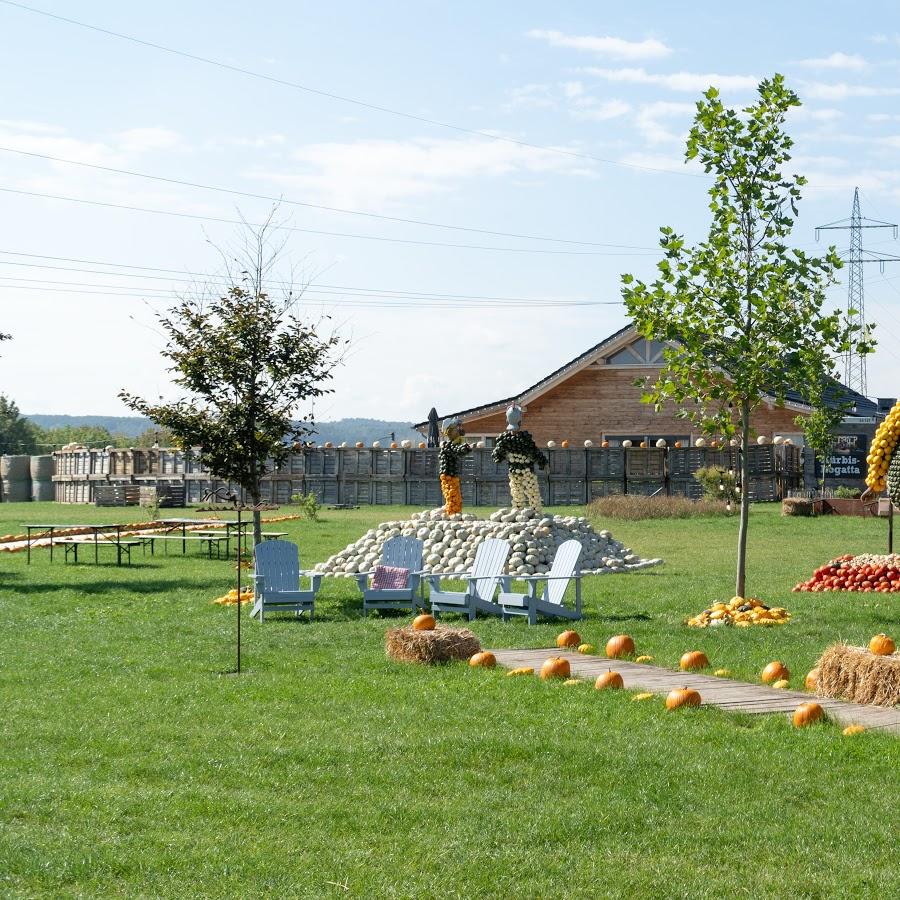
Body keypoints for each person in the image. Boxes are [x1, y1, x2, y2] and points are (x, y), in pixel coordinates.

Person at [492, 404, 547, 513]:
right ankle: (534, 511)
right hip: (527, 470)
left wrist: (502, 454)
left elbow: (497, 456)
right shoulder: (525, 439)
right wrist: (543, 463)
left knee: (518, 493)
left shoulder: (504, 440)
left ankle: (520, 511)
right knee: (531, 492)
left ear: (507, 420)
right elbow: (535, 452)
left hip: (515, 471)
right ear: (520, 422)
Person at [438, 418, 472, 515]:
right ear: (449, 431)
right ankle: (452, 513)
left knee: (455, 495)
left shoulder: (454, 443)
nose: (458, 430)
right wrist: (466, 448)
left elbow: (458, 449)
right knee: (451, 495)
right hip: (447, 475)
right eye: (456, 428)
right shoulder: (447, 446)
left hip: (452, 475)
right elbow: (457, 451)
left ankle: (454, 512)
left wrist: (465, 447)